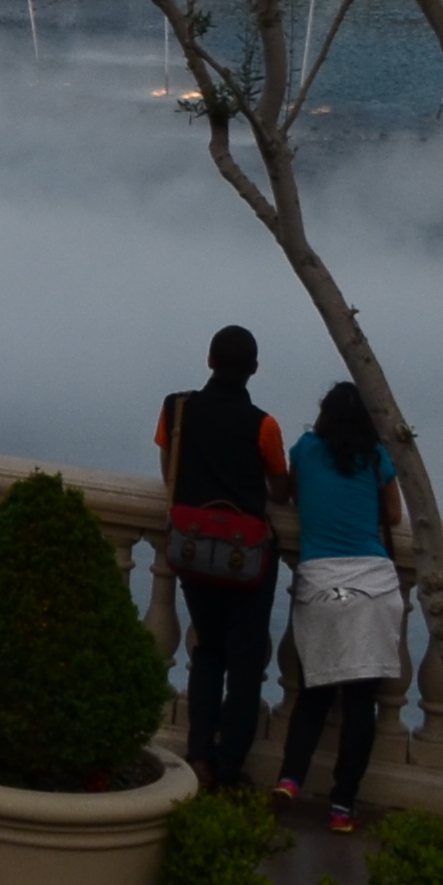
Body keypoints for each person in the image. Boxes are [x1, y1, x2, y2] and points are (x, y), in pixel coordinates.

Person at [154, 325, 290, 791]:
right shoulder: (265, 425)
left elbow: (167, 467)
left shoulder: (177, 408)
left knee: (207, 651)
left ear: (209, 361)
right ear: (253, 369)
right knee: (246, 663)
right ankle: (230, 767)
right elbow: (279, 487)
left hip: (192, 549)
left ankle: (199, 757)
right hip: (247, 559)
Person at [276, 381, 412, 832]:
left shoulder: (305, 450)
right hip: (371, 586)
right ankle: (342, 806)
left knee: (313, 694)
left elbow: (296, 495)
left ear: (324, 414)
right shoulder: (377, 459)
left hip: (321, 583)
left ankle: (290, 779)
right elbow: (393, 517)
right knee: (359, 703)